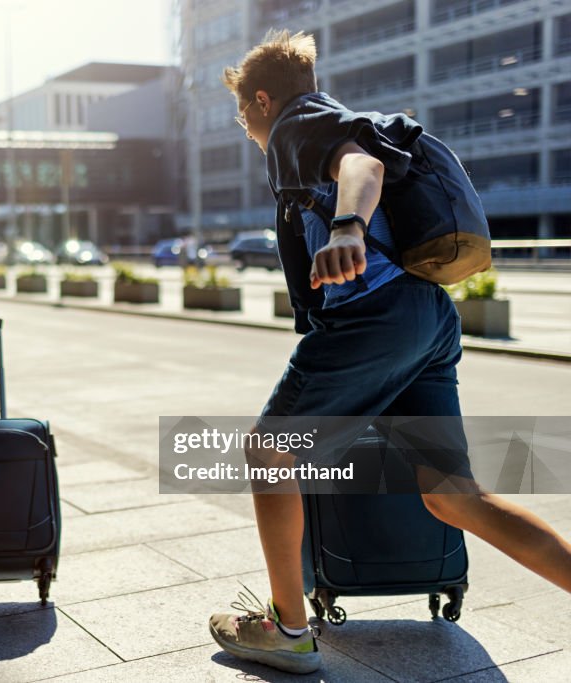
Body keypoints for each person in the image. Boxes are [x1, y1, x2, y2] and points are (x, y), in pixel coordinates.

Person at [207, 30, 571, 675]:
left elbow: (361, 167)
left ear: (262, 99)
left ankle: (288, 628)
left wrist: (346, 226)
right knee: (454, 497)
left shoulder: (299, 123)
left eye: (243, 115)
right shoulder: (335, 120)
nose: (246, 127)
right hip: (426, 315)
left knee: (269, 450)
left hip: (373, 317)